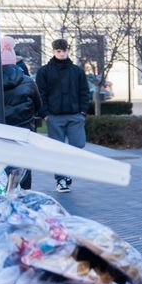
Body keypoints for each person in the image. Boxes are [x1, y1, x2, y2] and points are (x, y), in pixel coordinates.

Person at [36, 38, 90, 193]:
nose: (61, 53)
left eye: (64, 50)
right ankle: (61, 180)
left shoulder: (77, 70)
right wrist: (45, 114)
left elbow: (84, 92)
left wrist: (82, 112)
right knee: (57, 150)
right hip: (54, 117)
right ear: (53, 51)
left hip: (75, 116)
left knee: (78, 145)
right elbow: (40, 94)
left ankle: (68, 171)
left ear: (68, 51)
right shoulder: (44, 71)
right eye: (58, 51)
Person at [1, 36, 42, 190]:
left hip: (0, 135)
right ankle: (22, 195)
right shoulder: (27, 81)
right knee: (23, 166)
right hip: (22, 133)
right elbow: (38, 105)